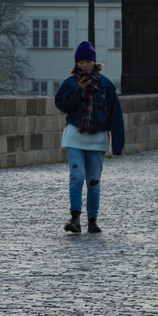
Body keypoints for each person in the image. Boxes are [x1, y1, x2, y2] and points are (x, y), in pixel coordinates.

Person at [54, 41, 124, 233]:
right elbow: (61, 105)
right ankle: (75, 218)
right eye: (81, 62)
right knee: (76, 176)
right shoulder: (69, 84)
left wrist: (117, 145)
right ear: (77, 64)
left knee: (93, 181)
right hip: (74, 136)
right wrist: (78, 90)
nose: (85, 66)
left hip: (98, 138)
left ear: (94, 62)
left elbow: (116, 116)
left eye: (88, 62)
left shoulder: (107, 86)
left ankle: (92, 219)